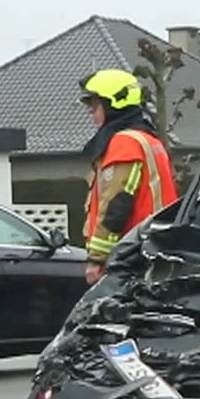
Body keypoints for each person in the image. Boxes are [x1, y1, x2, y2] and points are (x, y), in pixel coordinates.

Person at [78, 69, 178, 285]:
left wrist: (97, 259)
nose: (90, 111)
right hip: (155, 248)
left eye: (94, 104)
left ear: (113, 103)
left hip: (131, 254)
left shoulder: (124, 143)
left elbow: (116, 203)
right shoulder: (149, 139)